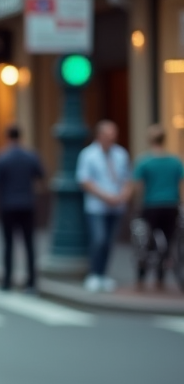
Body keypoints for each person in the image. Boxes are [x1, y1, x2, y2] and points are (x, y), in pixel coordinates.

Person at [0, 124, 44, 293]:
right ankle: (31, 282)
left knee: (8, 244)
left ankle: (7, 281)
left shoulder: (2, 157)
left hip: (8, 205)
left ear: (7, 138)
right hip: (27, 204)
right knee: (29, 244)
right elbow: (41, 175)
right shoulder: (31, 156)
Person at [76, 120, 131, 292]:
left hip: (116, 205)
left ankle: (103, 275)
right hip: (97, 207)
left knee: (109, 242)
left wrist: (124, 195)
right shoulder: (88, 154)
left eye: (114, 134)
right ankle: (94, 274)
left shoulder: (121, 154)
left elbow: (127, 179)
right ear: (99, 135)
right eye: (108, 135)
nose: (112, 138)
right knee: (98, 239)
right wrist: (105, 196)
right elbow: (84, 180)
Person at [129, 124, 184, 288]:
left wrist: (134, 202)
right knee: (169, 240)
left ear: (149, 140)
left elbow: (137, 186)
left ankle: (142, 277)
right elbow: (181, 183)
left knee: (146, 241)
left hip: (151, 205)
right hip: (171, 205)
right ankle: (161, 278)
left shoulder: (144, 161)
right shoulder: (175, 161)